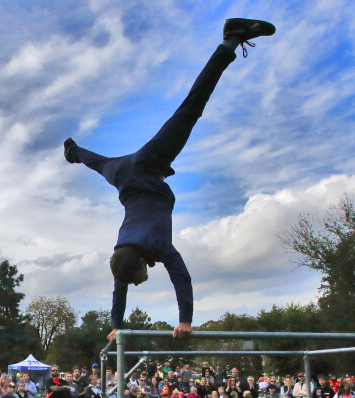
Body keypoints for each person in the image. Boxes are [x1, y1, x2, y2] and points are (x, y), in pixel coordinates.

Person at [64, 19, 276, 343]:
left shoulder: (156, 246)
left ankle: (231, 40)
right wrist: (116, 323)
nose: (138, 282)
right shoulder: (121, 253)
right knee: (95, 163)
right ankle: (73, 151)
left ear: (139, 266)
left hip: (150, 165)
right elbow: (119, 289)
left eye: (139, 280)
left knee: (192, 108)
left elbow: (182, 277)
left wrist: (185, 320)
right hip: (121, 175)